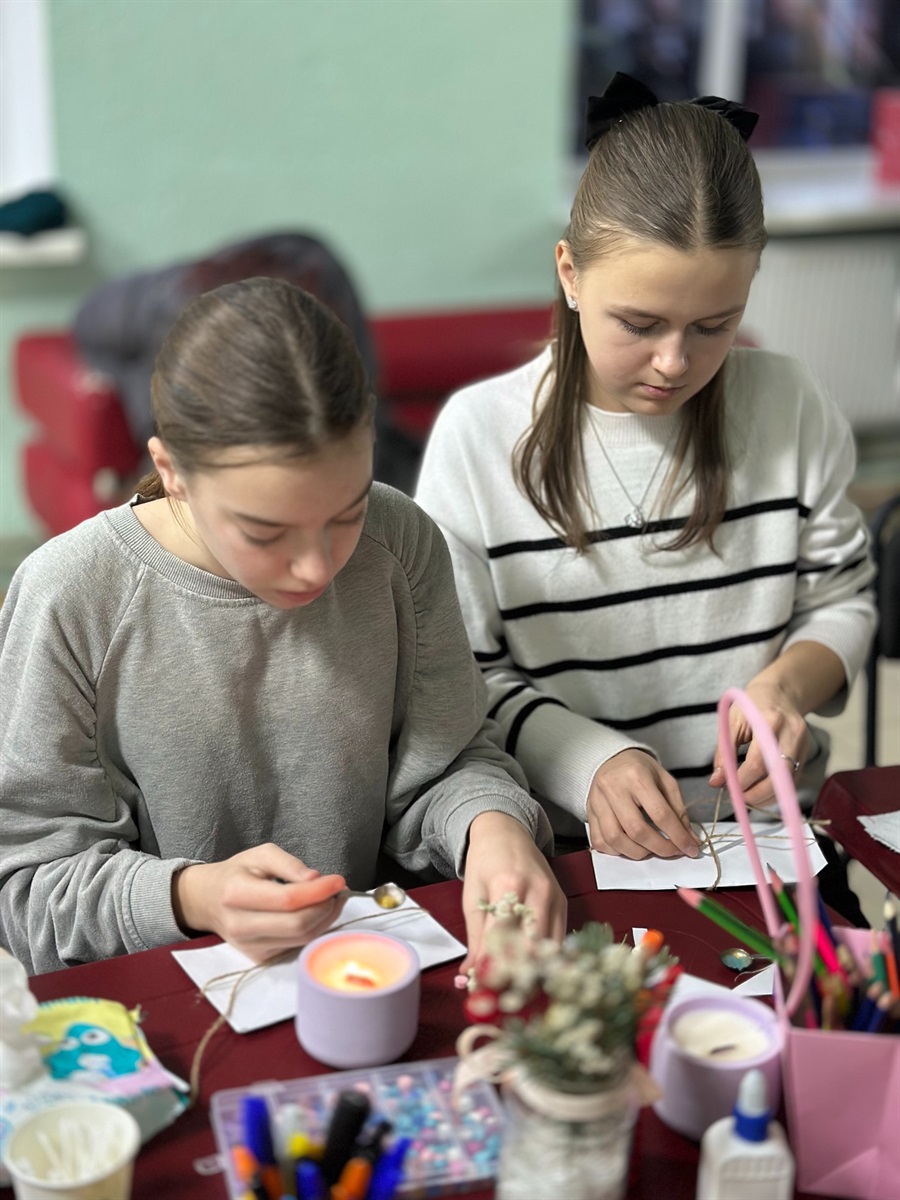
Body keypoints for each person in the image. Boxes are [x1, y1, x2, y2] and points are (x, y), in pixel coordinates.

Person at [0, 278, 565, 976]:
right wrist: (190, 897)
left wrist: (492, 826)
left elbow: (446, 765)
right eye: (265, 533)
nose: (315, 567)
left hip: (367, 971)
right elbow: (29, 893)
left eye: (347, 514)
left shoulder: (401, 541)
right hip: (156, 999)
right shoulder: (70, 593)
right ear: (171, 470)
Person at [415, 73, 876, 869]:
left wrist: (787, 689)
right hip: (570, 855)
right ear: (569, 274)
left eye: (714, 325)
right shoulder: (479, 436)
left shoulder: (790, 404)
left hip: (770, 846)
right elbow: (458, 677)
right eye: (639, 323)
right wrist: (586, 761)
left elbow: (841, 600)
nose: (674, 362)